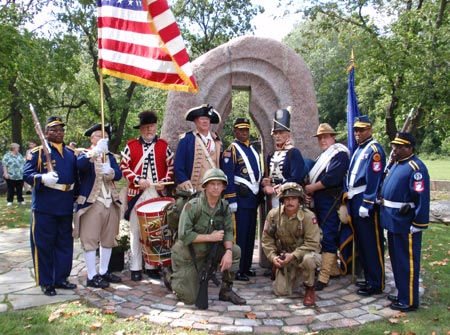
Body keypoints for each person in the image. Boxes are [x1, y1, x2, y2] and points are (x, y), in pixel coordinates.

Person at [169, 168, 246, 307]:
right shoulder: (192, 206)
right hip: (188, 255)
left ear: (223, 187)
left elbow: (228, 231)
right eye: (212, 184)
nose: (216, 187)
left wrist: (228, 251)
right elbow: (184, 235)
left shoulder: (224, 207)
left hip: (209, 252)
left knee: (235, 251)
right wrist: (210, 237)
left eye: (219, 184)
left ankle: (226, 291)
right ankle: (169, 277)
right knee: (189, 298)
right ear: (205, 186)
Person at [23, 116, 78, 296]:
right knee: (44, 245)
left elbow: (76, 177)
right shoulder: (38, 152)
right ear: (46, 132)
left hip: (64, 205)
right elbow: (27, 174)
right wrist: (41, 178)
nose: (58, 133)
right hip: (45, 206)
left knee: (64, 244)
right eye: (54, 130)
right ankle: (46, 281)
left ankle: (61, 278)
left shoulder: (70, 153)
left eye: (61, 130)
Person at [120, 111, 174, 281]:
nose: (149, 130)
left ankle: (151, 266)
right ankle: (136, 266)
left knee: (154, 231)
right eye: (145, 127)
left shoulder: (164, 146)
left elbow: (171, 166)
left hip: (156, 193)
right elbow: (124, 166)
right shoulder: (131, 146)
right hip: (137, 194)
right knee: (136, 230)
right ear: (141, 129)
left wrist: (164, 181)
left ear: (156, 127)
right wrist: (137, 179)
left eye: (151, 127)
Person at [380, 132, 430, 312]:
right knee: (396, 260)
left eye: (400, 146)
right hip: (393, 219)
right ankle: (403, 292)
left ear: (410, 148)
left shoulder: (416, 168)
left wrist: (418, 223)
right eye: (395, 145)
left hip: (405, 221)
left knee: (406, 261)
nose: (396, 149)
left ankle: (409, 300)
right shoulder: (396, 164)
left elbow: (422, 198)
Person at [74, 123, 122, 288]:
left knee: (108, 239)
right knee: (90, 239)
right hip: (92, 203)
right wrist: (94, 153)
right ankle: (91, 275)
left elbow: (119, 174)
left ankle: (103, 271)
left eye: (105, 136)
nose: (103, 138)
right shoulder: (85, 154)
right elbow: (79, 166)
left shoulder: (110, 156)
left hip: (110, 201)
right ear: (91, 139)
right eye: (99, 135)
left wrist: (112, 173)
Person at [304, 123, 350, 290]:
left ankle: (323, 277)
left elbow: (332, 178)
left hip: (331, 201)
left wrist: (312, 188)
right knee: (323, 234)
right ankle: (334, 269)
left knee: (328, 235)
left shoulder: (339, 154)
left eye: (326, 137)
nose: (323, 140)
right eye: (320, 137)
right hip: (321, 201)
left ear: (333, 137)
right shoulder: (322, 156)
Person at [261, 182, 321, 306]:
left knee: (309, 260)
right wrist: (273, 258)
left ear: (299, 200)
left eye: (293, 198)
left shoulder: (308, 217)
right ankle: (291, 274)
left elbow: (312, 243)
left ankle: (310, 287)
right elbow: (267, 240)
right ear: (282, 200)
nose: (290, 202)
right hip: (284, 256)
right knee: (280, 291)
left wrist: (293, 255)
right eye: (287, 199)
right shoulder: (273, 215)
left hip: (304, 254)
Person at [346, 115, 386, 296]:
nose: (357, 133)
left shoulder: (374, 150)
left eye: (361, 130)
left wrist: (368, 202)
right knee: (362, 243)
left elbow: (374, 179)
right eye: (355, 130)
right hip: (355, 198)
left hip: (364, 200)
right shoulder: (359, 149)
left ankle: (376, 283)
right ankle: (369, 278)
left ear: (370, 130)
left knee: (371, 243)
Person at [222, 117, 262, 281]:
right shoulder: (230, 150)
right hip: (239, 199)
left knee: (250, 236)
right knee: (239, 236)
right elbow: (228, 177)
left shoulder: (253, 150)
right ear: (235, 131)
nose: (244, 132)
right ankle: (237, 269)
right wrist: (231, 200)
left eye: (246, 129)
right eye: (241, 130)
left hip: (252, 199)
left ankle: (246, 267)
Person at [261, 107, 305, 208]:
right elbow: (268, 177)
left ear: (288, 136)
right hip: (274, 199)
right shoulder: (271, 155)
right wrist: (265, 182)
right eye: (276, 133)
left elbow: (295, 178)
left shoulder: (294, 153)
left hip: (290, 197)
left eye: (281, 133)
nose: (277, 136)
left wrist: (274, 189)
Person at [174, 104, 222, 193]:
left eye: (207, 119)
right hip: (194, 189)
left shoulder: (216, 140)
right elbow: (178, 165)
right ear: (195, 121)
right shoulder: (187, 139)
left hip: (214, 190)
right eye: (202, 119)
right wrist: (185, 183)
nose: (205, 121)